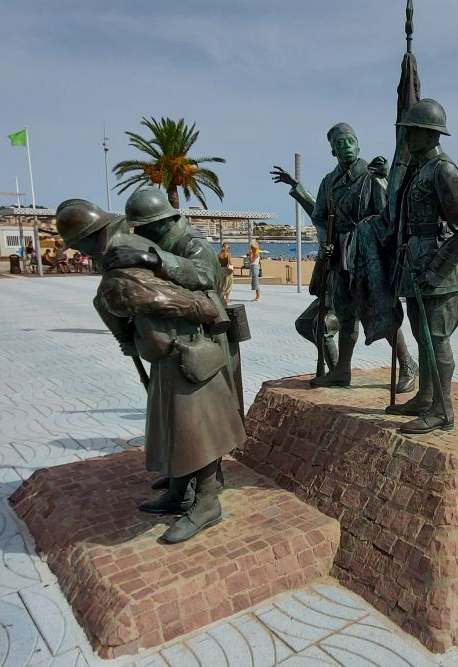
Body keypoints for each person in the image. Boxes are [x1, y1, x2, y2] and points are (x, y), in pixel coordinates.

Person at [100, 187, 246, 543]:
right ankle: (179, 489)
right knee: (174, 419)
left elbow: (202, 277)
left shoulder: (193, 243)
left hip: (204, 346)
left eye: (147, 229)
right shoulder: (160, 241)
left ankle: (207, 501)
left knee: (199, 424)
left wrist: (155, 261)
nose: (143, 236)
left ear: (164, 221)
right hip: (174, 345)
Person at [270, 123, 417, 391]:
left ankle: (407, 363)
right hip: (340, 255)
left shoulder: (372, 176)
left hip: (367, 254)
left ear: (358, 145)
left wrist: (386, 180)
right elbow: (321, 216)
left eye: (350, 141)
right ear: (332, 151)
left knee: (379, 310)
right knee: (347, 315)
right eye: (340, 143)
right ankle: (342, 370)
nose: (346, 146)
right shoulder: (329, 182)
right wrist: (326, 242)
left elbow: (388, 216)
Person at [384, 99, 458, 434]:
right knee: (422, 336)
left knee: (436, 338)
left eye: (411, 131)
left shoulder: (443, 170)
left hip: (441, 273)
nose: (405, 137)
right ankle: (425, 397)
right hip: (416, 267)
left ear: (427, 134)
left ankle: (443, 410)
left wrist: (436, 271)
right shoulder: (418, 169)